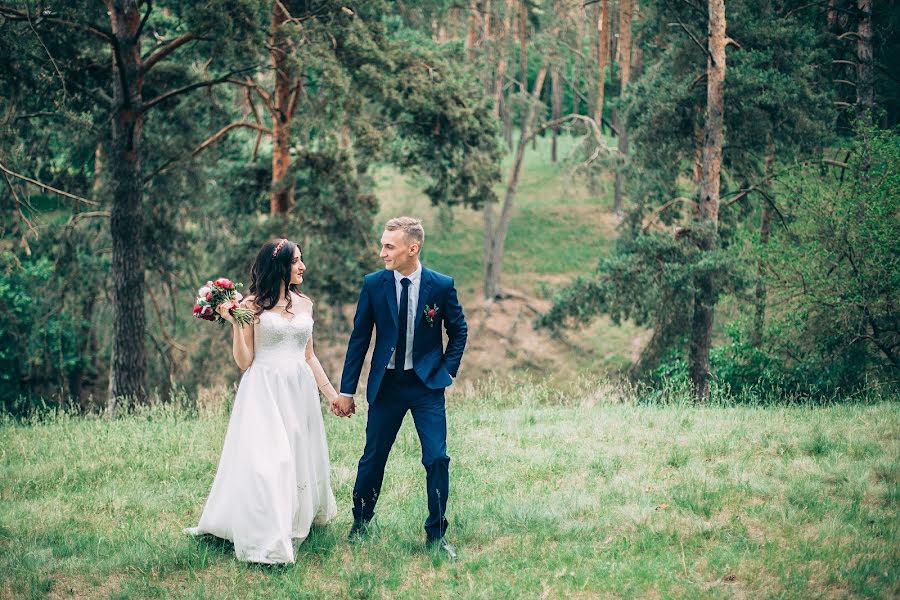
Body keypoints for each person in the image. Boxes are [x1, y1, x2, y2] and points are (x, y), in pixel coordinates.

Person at [185, 239, 338, 564]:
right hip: (264, 389)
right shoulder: (252, 305)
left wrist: (333, 396)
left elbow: (309, 356)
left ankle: (295, 517)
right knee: (272, 462)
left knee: (296, 455)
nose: (303, 266)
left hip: (298, 388)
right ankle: (267, 534)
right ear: (281, 266)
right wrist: (235, 323)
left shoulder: (305, 304)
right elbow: (244, 361)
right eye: (297, 261)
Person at [335, 217, 468, 559]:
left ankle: (437, 536)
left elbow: (459, 331)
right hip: (387, 385)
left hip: (426, 386)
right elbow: (359, 339)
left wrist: (445, 372)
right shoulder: (374, 285)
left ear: (413, 248)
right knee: (373, 457)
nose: (382, 253)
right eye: (383, 245)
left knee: (437, 458)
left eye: (389, 246)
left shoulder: (440, 285)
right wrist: (347, 390)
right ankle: (361, 522)